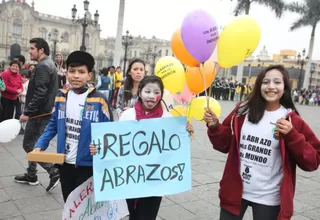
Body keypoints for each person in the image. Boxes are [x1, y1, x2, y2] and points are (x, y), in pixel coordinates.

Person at [203, 65, 320, 220]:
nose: (271, 86)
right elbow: (223, 145)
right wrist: (214, 126)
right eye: (266, 82)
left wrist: (292, 135)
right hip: (234, 191)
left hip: (269, 198)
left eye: (277, 82)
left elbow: (312, 161)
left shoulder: (291, 120)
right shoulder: (242, 111)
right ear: (259, 85)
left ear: (284, 87)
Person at [92, 75, 193, 219]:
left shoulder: (168, 119)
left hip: (155, 181)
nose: (151, 96)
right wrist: (100, 148)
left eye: (156, 92)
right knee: (133, 216)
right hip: (130, 179)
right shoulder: (127, 115)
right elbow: (115, 144)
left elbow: (176, 149)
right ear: (139, 93)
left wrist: (186, 133)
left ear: (161, 95)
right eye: (147, 91)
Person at [33, 50, 113, 202]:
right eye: (72, 71)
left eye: (81, 72)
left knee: (84, 208)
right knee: (69, 203)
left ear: (89, 75)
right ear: (66, 72)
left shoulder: (99, 100)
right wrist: (40, 144)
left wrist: (100, 146)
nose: (76, 75)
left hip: (88, 165)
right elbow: (53, 125)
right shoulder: (61, 96)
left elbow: (109, 133)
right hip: (65, 163)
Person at [15, 38, 60, 192]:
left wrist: (27, 112)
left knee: (28, 145)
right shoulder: (50, 63)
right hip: (44, 111)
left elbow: (40, 92)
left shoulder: (42, 66)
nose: (30, 51)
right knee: (34, 144)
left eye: (32, 48)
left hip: (38, 114)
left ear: (41, 50)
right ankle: (31, 175)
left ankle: (53, 171)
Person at [14, 55, 32, 121]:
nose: (24, 79)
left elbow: (28, 92)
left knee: (24, 114)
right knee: (19, 113)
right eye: (22, 77)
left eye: (26, 77)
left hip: (25, 102)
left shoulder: (28, 83)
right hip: (20, 102)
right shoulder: (20, 82)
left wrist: (20, 93)